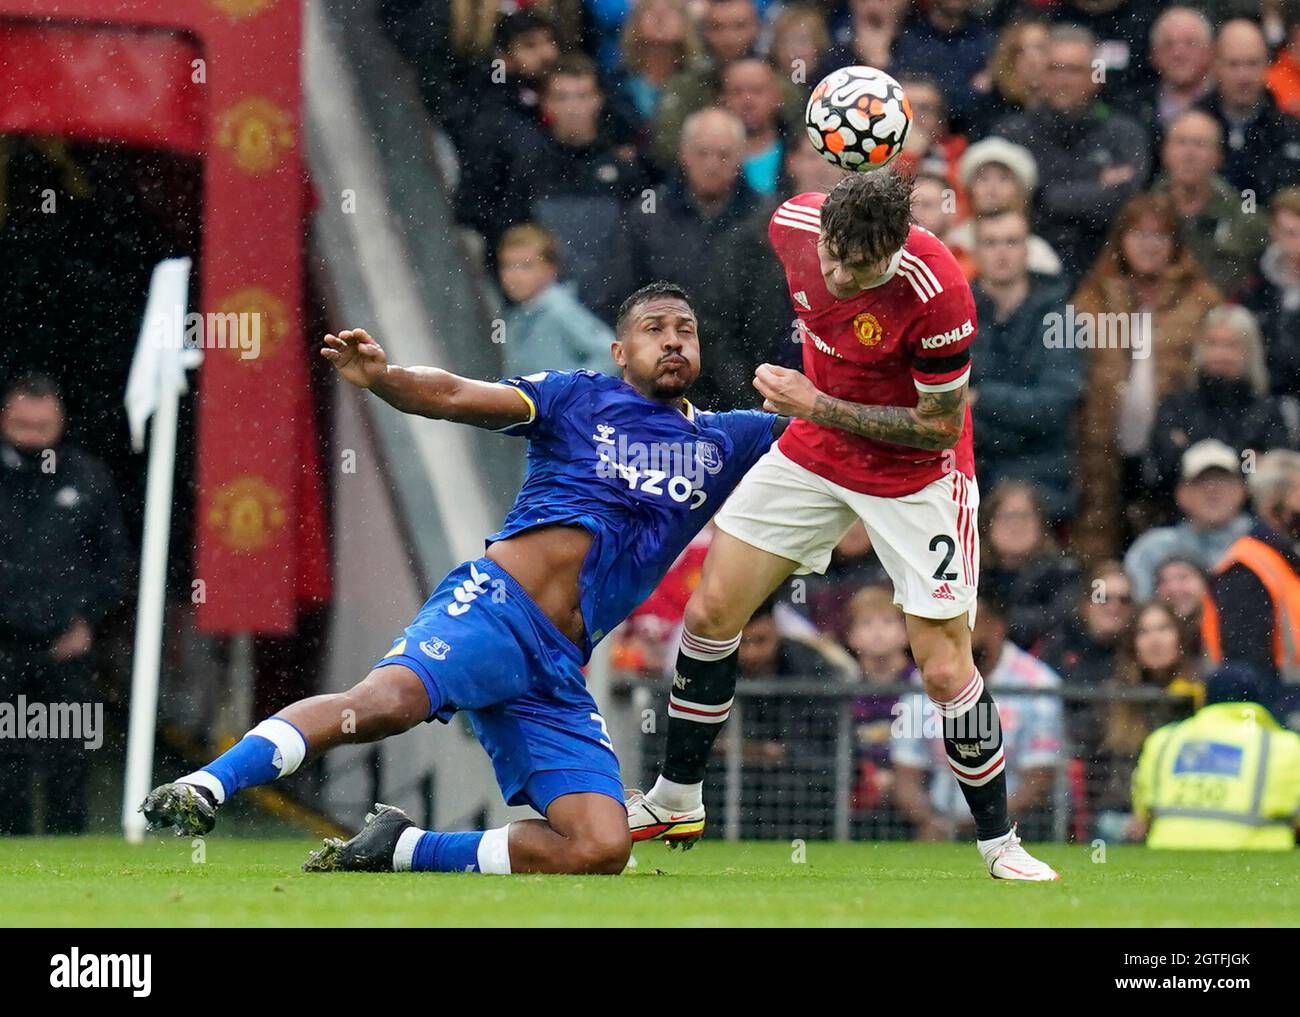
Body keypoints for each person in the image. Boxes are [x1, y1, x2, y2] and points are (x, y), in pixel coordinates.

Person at [140, 282, 783, 877]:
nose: (673, 340)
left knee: (601, 846)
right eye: (654, 329)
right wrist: (386, 379)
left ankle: (402, 848)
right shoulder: (576, 395)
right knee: (383, 706)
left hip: (559, 665)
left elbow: (826, 446)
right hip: (494, 609)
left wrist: (828, 383)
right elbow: (453, 394)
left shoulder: (728, 442)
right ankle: (206, 785)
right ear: (620, 350)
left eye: (686, 330)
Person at [627, 170, 1061, 879]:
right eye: (830, 255)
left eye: (854, 266)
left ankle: (1000, 845)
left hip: (916, 472)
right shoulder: (795, 225)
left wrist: (813, 401)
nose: (833, 272)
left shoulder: (939, 290)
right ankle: (676, 796)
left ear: (892, 250)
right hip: (816, 451)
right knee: (710, 610)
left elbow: (936, 427)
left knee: (947, 668)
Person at [0, 375, 129, 834]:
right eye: (22, 425)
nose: (32, 436)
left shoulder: (86, 476)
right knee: (5, 757)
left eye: (43, 426)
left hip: (66, 645)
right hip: (3, 646)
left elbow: (114, 563)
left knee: (68, 749)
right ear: (4, 419)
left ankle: (65, 846)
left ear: (61, 423)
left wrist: (86, 621)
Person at [1071, 192, 1222, 561]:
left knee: (1168, 553)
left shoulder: (1202, 301)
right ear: (1121, 241)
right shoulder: (1091, 299)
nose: (1148, 245)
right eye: (1138, 234)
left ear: (1175, 243)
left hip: (1172, 451)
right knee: (1099, 548)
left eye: (1159, 236)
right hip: (1099, 450)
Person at [891, 593, 1064, 843]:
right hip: (936, 825)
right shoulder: (926, 679)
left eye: (968, 625)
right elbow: (906, 772)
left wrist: (983, 826)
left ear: (997, 627)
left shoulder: (1036, 683)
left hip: (1018, 828)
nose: (957, 636)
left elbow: (1038, 781)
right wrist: (931, 821)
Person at [996, 25, 1151, 282]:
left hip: (1109, 268)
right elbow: (1015, 205)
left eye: (1074, 70)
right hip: (1030, 269)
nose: (1063, 80)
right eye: (1054, 69)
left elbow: (1125, 203)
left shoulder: (1125, 133)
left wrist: (1047, 194)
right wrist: (1096, 181)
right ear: (1041, 76)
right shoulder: (1012, 133)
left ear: (1095, 77)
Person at [967, 209, 1080, 520]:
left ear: (1027, 249)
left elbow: (1055, 406)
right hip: (971, 475)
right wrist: (1016, 422)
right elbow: (945, 410)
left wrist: (982, 399)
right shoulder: (953, 316)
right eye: (990, 243)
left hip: (1044, 479)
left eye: (1011, 242)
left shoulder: (1061, 319)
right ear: (975, 251)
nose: (1002, 252)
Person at [1131, 667, 1300, 849]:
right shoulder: (1286, 745)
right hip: (1254, 856)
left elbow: (1141, 818)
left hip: (1167, 850)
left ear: (1205, 698)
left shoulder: (1164, 739)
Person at [1146, 306, 1290, 500]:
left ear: (1249, 352)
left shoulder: (1267, 411)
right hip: (1181, 520)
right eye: (1212, 343)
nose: (1219, 354)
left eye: (1230, 345)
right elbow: (1161, 468)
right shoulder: (1177, 405)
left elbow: (1275, 478)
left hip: (1249, 521)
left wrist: (1193, 451)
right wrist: (1243, 457)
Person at [1202, 449, 1300, 724]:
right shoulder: (1246, 568)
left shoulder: (1285, 561)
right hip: (1274, 718)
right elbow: (1247, 668)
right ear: (1274, 501)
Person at [1150, 109, 1269, 294]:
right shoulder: (1141, 213)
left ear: (1218, 156)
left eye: (1200, 144)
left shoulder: (1246, 219)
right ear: (1165, 152)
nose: (1189, 154)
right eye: (1181, 142)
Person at [1124, 439, 1253, 602]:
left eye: (1222, 479)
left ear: (1242, 489)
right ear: (1181, 493)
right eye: (1201, 481)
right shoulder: (1152, 550)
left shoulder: (1265, 543)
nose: (1212, 489)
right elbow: (1141, 614)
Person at [1199, 18, 1300, 202]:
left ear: (1267, 65)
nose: (1243, 76)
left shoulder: (1291, 132)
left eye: (1252, 63)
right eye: (1234, 64)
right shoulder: (1193, 127)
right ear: (1215, 66)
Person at [497, 224, 617, 377]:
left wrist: (570, 390)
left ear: (551, 269)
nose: (514, 275)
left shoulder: (560, 310)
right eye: (507, 265)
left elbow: (609, 354)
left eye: (526, 266)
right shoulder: (515, 317)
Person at [979, 480, 1079, 652]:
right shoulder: (972, 576)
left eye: (1025, 516)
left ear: (1041, 525)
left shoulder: (1064, 574)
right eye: (1007, 517)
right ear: (988, 525)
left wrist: (998, 622)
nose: (1016, 525)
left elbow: (1058, 622)